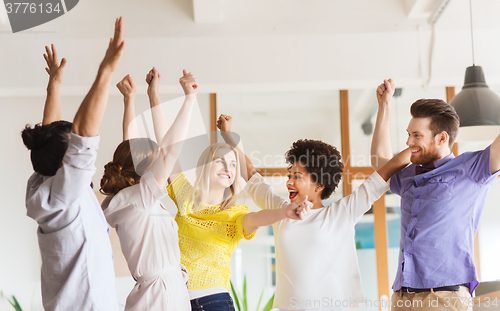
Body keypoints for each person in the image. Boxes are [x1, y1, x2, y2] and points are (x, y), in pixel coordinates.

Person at [221, 114, 411, 311]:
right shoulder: (281, 210)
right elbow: (251, 175)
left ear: (319, 184)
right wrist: (228, 137)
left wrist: (416, 146)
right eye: (289, 176)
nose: (289, 182)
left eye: (297, 177)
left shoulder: (341, 213)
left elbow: (383, 174)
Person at [21, 17, 124, 311]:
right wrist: (105, 72)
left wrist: (53, 85)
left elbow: (49, 137)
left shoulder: (43, 186)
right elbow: (82, 136)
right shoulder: (66, 194)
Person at [372, 79, 500, 311]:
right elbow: (380, 163)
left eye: (417, 136)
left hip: (444, 298)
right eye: (408, 134)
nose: (408, 142)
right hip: (402, 298)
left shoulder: (472, 169)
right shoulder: (408, 175)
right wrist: (384, 106)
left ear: (442, 138)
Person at [166, 115, 313, 311]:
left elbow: (257, 219)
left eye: (233, 164)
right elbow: (167, 152)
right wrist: (154, 96)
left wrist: (285, 211)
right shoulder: (186, 197)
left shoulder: (234, 215)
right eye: (220, 161)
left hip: (214, 302)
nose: (228, 168)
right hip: (175, 301)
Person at [100, 68, 197, 310]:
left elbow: (130, 148)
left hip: (156, 293)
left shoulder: (126, 199)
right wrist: (189, 100)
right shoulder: (140, 197)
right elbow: (170, 150)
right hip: (163, 296)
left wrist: (130, 100)